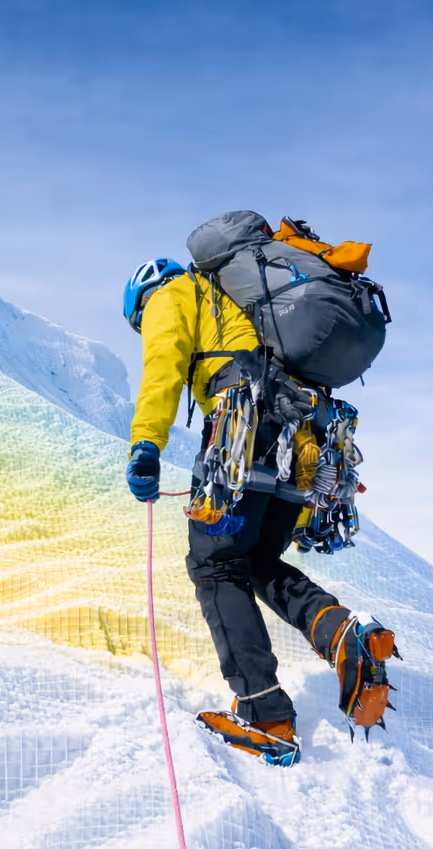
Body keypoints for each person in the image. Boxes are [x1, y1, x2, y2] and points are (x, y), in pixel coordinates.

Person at [121, 248, 395, 752]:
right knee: (256, 561)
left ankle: (265, 713)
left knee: (215, 567)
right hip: (303, 438)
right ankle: (342, 634)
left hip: (243, 429)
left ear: (142, 298)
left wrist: (146, 444)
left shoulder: (172, 293)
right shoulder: (241, 300)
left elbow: (163, 365)